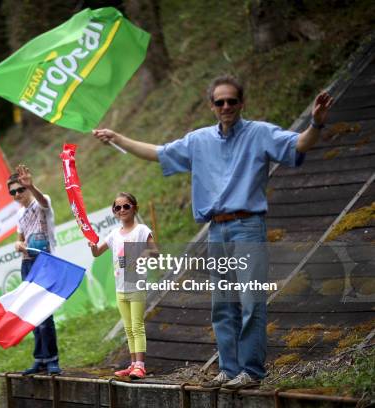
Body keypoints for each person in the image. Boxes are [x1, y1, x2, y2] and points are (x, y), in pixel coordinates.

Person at [93, 75, 333, 389]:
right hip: (216, 230)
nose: (226, 106)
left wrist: (315, 123)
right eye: (219, 101)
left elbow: (298, 145)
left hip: (248, 226)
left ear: (241, 103)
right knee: (222, 303)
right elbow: (158, 152)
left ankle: (251, 371)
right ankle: (229, 369)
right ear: (212, 106)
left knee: (250, 300)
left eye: (232, 100)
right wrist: (117, 138)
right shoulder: (199, 140)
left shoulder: (259, 133)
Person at [89, 192, 154, 379]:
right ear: (114, 212)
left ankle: (140, 365)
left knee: (137, 326)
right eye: (118, 208)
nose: (122, 210)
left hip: (137, 287)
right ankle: (133, 364)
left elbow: (155, 250)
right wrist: (93, 246)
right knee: (128, 328)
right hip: (120, 289)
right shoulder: (113, 234)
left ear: (135, 208)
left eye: (126, 206)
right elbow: (97, 253)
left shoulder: (141, 230)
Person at [8, 164, 60, 375]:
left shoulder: (41, 202)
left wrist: (32, 186)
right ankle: (40, 358)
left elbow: (44, 202)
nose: (18, 194)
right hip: (27, 263)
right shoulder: (19, 215)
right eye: (13, 192)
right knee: (32, 313)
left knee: (45, 313)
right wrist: (17, 245)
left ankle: (53, 360)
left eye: (20, 189)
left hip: (45, 262)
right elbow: (19, 239)